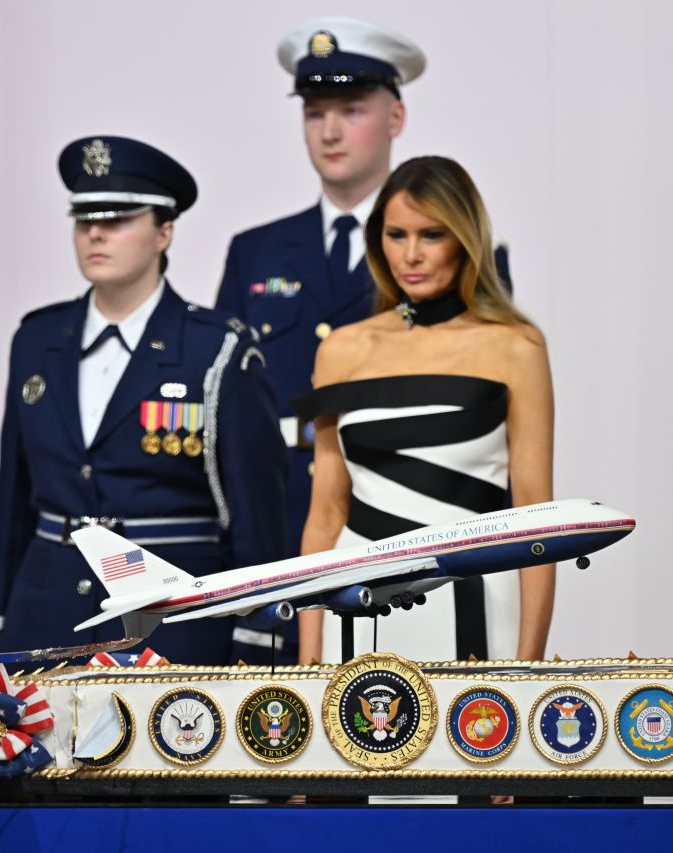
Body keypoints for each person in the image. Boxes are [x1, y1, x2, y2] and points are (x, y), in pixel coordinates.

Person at [215, 17, 511, 663]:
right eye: (314, 112)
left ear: (396, 116)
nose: (329, 131)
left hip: (392, 549)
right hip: (274, 538)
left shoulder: (452, 255)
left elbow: (481, 428)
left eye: (351, 109)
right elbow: (229, 424)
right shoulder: (254, 254)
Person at [0, 136, 289, 665]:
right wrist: (1, 625)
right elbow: (15, 502)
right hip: (46, 610)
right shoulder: (36, 339)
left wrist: (257, 642)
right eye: (84, 220)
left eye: (119, 218)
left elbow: (255, 519)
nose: (96, 233)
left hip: (169, 617)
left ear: (164, 231)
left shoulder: (216, 348)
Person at [290, 155, 554, 665]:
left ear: (466, 238)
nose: (411, 254)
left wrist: (529, 667)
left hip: (474, 601)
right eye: (396, 235)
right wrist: (308, 662)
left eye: (431, 234)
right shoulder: (342, 349)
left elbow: (536, 520)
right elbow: (324, 515)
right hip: (354, 605)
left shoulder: (517, 347)